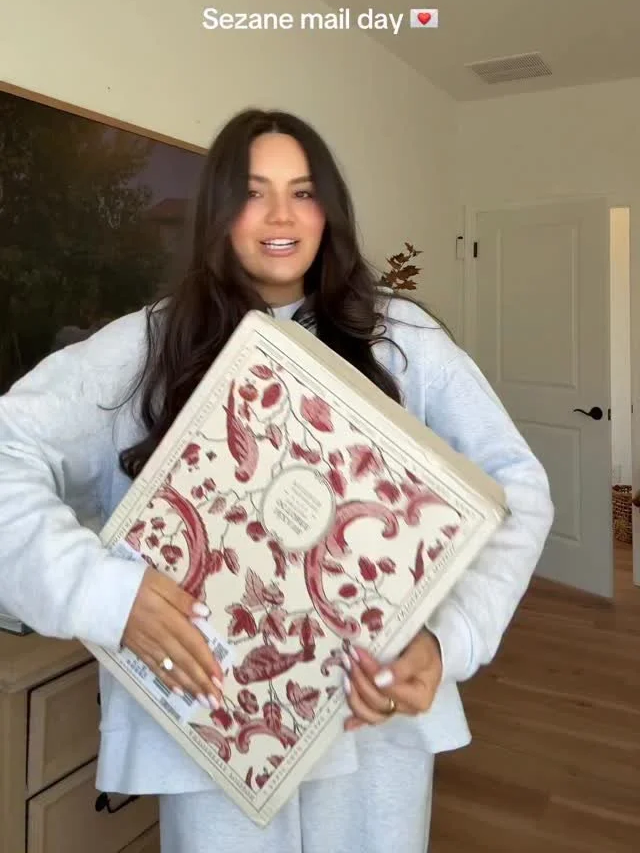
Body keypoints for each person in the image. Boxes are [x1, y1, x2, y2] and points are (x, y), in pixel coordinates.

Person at [0, 108, 554, 852]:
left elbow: (517, 490)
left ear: (330, 210)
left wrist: (448, 640)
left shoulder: (402, 339)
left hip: (373, 721)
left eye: (304, 192)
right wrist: (102, 593)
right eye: (253, 193)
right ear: (217, 211)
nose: (282, 216)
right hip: (215, 724)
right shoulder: (146, 345)